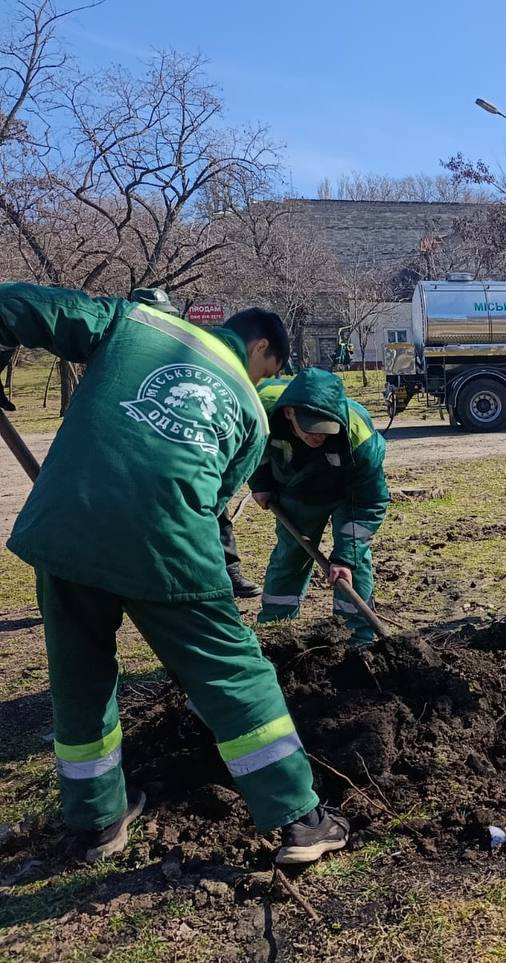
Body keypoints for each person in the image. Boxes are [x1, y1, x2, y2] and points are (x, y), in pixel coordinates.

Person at [0, 282, 348, 865]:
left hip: (68, 526)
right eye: (269, 373)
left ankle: (96, 823)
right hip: (168, 541)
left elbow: (24, 304)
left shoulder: (133, 323)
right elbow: (212, 508)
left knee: (79, 676)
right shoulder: (250, 410)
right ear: (261, 347)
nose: (263, 385)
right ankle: (300, 818)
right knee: (231, 671)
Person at [130, 289, 261, 598]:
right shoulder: (120, 349)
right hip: (135, 450)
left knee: (213, 505)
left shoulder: (184, 353)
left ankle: (227, 572)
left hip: (189, 445)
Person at [252, 368, 389, 648]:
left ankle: (357, 640)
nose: (319, 437)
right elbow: (248, 448)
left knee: (353, 565)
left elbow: (369, 500)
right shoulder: (261, 408)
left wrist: (345, 558)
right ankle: (275, 634)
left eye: (326, 430)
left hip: (348, 493)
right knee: (291, 553)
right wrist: (260, 482)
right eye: (312, 429)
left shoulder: (358, 435)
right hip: (294, 488)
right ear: (290, 413)